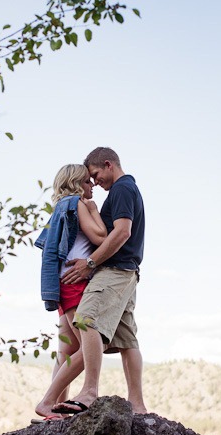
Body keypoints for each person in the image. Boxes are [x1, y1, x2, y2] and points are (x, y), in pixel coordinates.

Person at [37, 147, 147, 418]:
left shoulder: (121, 189)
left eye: (95, 175)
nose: (95, 182)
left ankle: (86, 392)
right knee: (125, 339)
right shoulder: (106, 196)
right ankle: (137, 405)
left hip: (114, 270)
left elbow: (120, 233)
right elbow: (105, 234)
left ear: (109, 165)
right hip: (122, 271)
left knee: (86, 323)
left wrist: (90, 264)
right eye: (89, 179)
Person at [34, 164, 107, 415]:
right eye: (88, 181)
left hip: (63, 281)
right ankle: (47, 402)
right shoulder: (77, 203)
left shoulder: (61, 206)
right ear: (76, 183)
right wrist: (95, 210)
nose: (92, 186)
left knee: (66, 350)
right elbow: (100, 236)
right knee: (92, 344)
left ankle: (56, 410)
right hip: (75, 281)